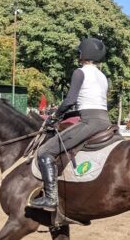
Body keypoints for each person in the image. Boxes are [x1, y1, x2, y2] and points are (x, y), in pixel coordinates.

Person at [31, 37, 111, 212]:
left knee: (45, 151)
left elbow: (70, 100)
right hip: (105, 120)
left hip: (90, 122)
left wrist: (55, 117)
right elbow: (90, 104)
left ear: (83, 53)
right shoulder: (103, 77)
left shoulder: (80, 72)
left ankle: (50, 198)